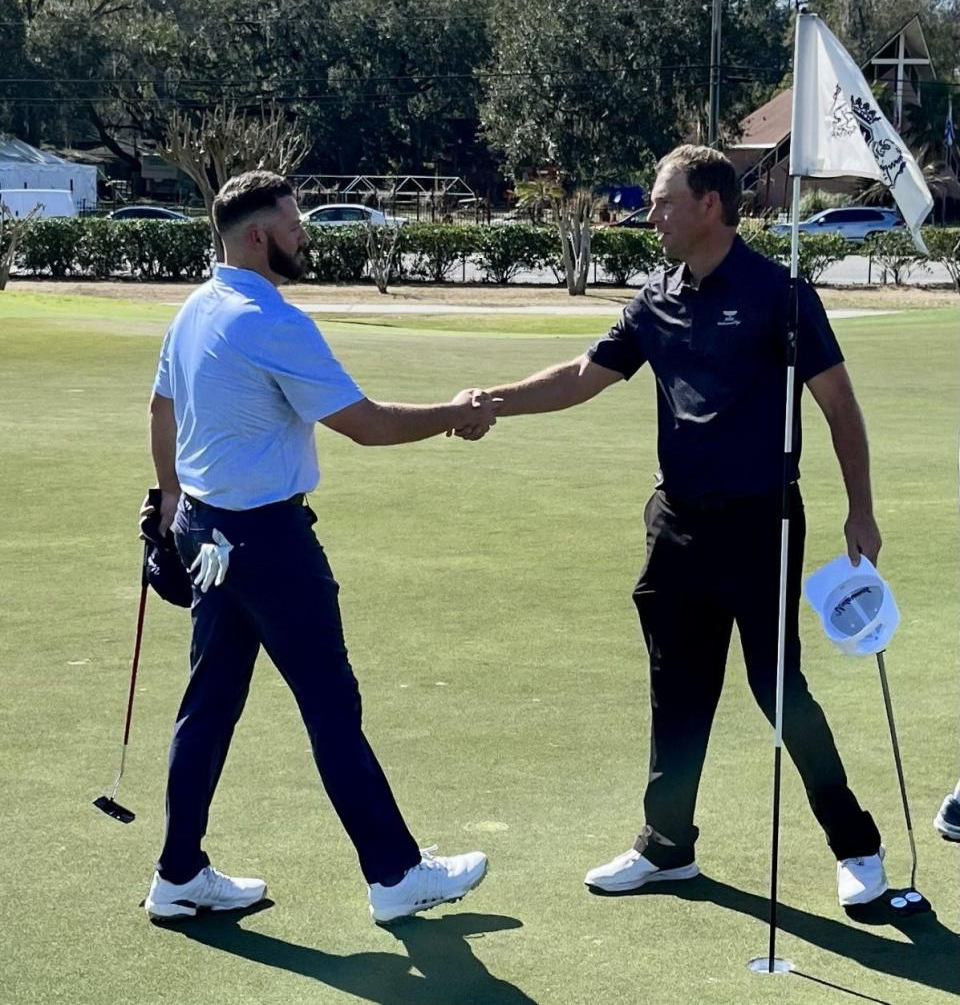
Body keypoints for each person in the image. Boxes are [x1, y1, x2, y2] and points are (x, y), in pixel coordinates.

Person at [477, 145, 888, 908]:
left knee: (779, 690)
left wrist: (860, 508)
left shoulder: (779, 294)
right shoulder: (653, 298)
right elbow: (579, 376)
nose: (650, 216)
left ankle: (856, 843)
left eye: (663, 201)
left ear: (709, 204)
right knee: (678, 688)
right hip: (676, 526)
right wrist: (494, 400)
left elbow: (838, 404)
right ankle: (667, 845)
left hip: (762, 523)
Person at [143, 170, 494, 924]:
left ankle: (177, 873)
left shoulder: (198, 306)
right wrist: (456, 412)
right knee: (331, 705)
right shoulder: (272, 321)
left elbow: (162, 404)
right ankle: (397, 875)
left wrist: (172, 501)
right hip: (268, 543)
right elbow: (365, 424)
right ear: (259, 235)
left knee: (206, 708)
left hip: (208, 534)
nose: (306, 234)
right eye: (295, 223)